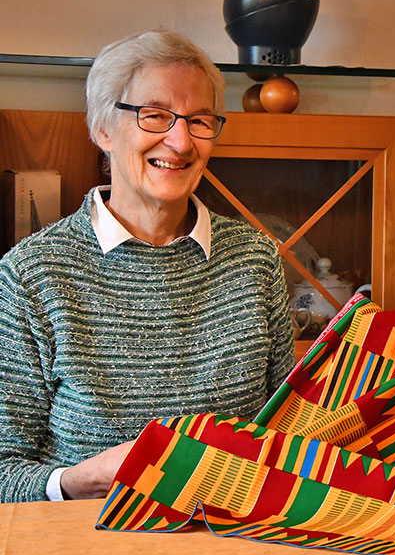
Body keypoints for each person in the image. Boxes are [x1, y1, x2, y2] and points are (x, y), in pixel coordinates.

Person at [0, 30, 296, 503]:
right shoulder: (31, 274)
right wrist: (77, 480)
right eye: (154, 115)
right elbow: (3, 470)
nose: (180, 141)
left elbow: (293, 434)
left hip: (233, 533)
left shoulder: (255, 260)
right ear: (103, 129)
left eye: (199, 121)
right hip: (91, 535)